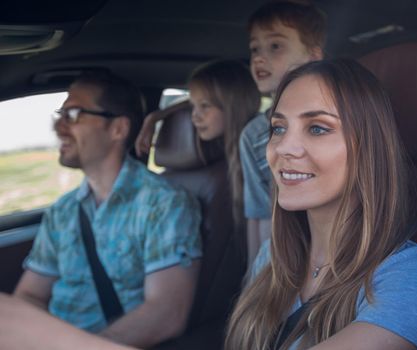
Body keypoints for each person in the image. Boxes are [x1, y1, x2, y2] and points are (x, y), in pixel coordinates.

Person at [225, 59, 417, 349]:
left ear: (368, 146)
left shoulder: (414, 279)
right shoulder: (271, 257)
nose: (282, 147)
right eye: (279, 128)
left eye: (318, 128)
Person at [10, 72, 203, 348]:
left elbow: (166, 314)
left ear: (118, 129)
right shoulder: (63, 210)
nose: (59, 127)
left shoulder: (164, 204)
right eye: (60, 114)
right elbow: (29, 295)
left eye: (74, 114)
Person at [240, 0, 327, 268]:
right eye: (254, 48)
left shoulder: (337, 117)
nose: (259, 57)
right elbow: (258, 214)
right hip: (281, 254)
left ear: (313, 57)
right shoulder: (253, 134)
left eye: (275, 46)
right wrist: (256, 276)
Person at [136, 59, 261, 232]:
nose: (194, 116)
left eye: (204, 106)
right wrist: (157, 116)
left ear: (232, 106)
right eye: (193, 106)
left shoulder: (256, 152)